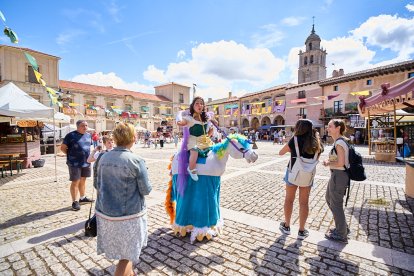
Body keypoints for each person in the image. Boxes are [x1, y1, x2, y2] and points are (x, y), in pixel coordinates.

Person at [94, 122, 152, 276]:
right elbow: (146, 189)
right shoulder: (136, 160)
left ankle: (130, 273)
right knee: (126, 256)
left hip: (105, 214)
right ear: (133, 137)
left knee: (126, 255)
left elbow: (96, 185)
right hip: (128, 216)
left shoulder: (101, 158)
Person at [278, 119, 322, 239]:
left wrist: (293, 148)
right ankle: (302, 230)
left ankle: (286, 226)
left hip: (293, 173)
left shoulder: (294, 140)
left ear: (298, 128)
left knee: (289, 200)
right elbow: (317, 157)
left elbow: (281, 152)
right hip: (308, 176)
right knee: (304, 203)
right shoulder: (316, 143)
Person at [322, 119, 350, 243]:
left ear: (338, 128)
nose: (328, 128)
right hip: (336, 174)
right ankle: (342, 227)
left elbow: (341, 162)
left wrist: (328, 162)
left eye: (330, 126)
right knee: (329, 199)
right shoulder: (338, 141)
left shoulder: (339, 142)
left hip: (339, 175)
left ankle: (341, 233)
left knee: (336, 203)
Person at [176, 96, 214, 181]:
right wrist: (178, 116)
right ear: (193, 106)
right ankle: (191, 169)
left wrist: (208, 135)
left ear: (203, 106)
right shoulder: (189, 118)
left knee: (215, 150)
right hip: (193, 140)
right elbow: (181, 123)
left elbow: (211, 129)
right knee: (195, 151)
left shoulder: (206, 118)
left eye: (201, 103)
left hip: (204, 140)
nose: (199, 105)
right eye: (197, 103)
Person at [61, 120, 94, 211]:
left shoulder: (88, 135)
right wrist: (71, 155)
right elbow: (63, 148)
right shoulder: (70, 135)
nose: (85, 127)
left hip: (86, 161)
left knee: (83, 180)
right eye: (83, 125)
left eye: (86, 125)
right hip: (74, 163)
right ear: (77, 126)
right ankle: (74, 201)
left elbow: (87, 148)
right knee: (75, 181)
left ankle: (82, 198)